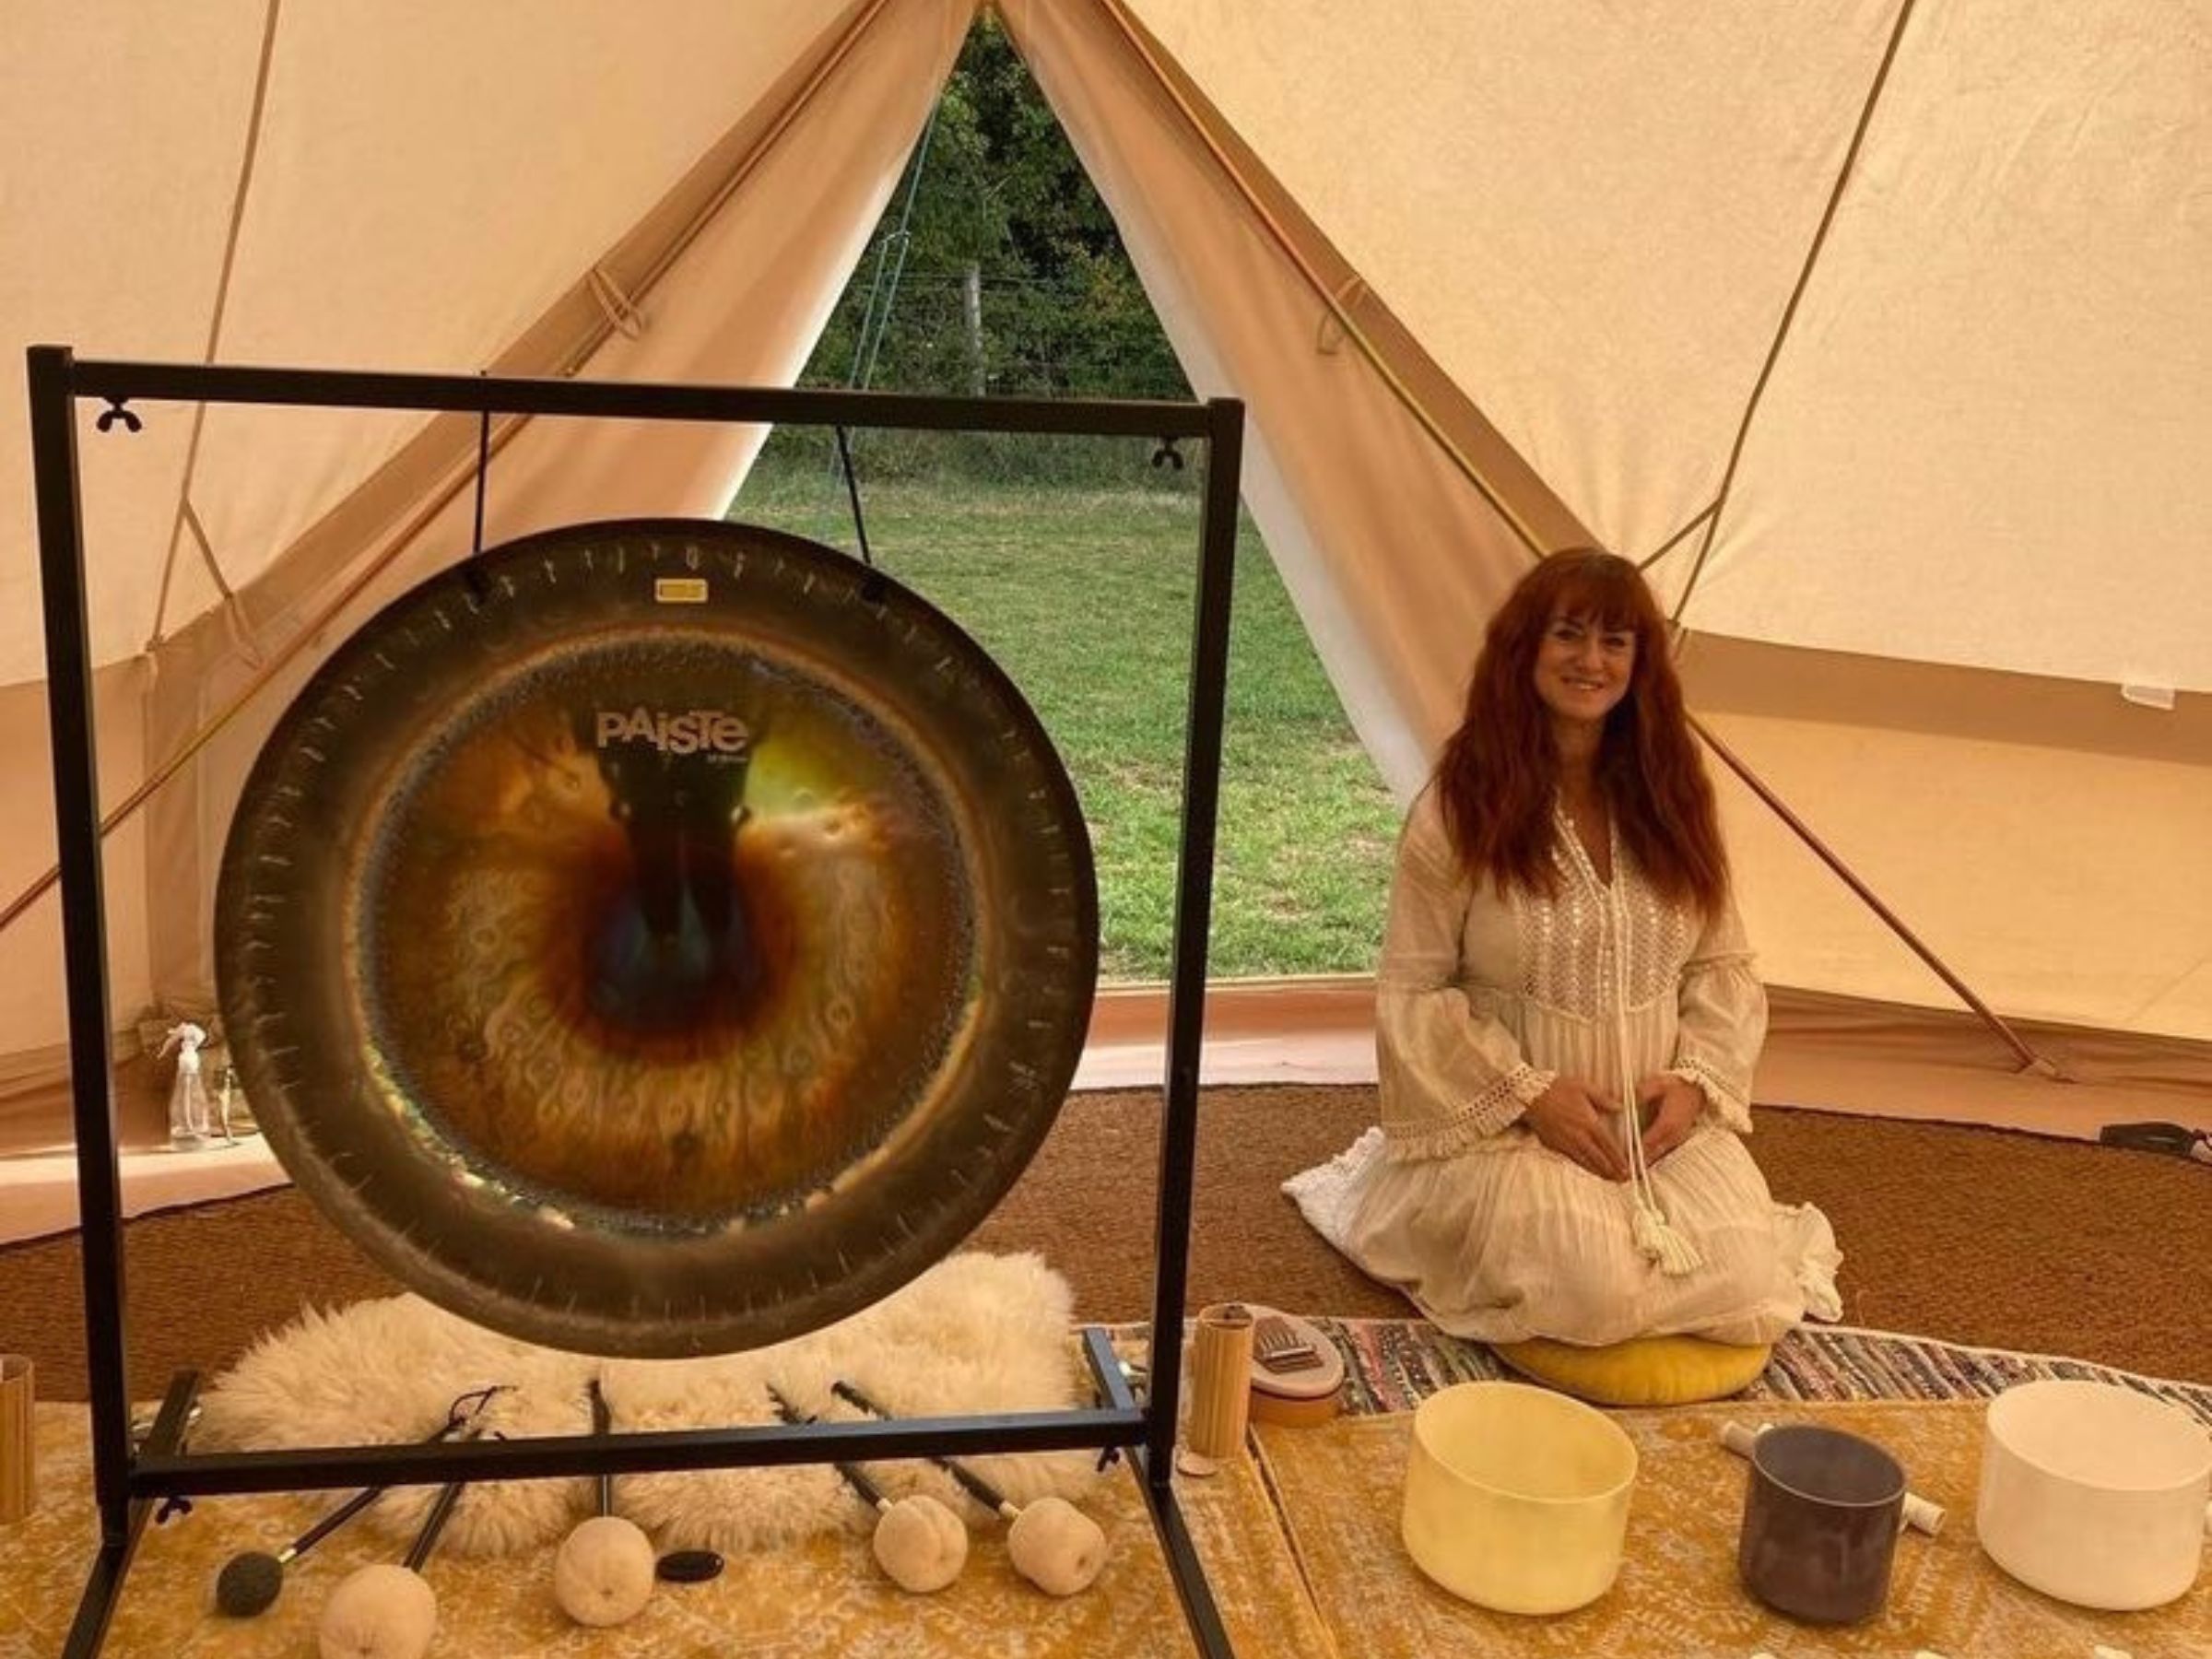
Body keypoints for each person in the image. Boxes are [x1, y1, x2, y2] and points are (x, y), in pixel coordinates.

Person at [1286, 548, 1839, 1347]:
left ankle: (1635, 1229)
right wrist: (1530, 1095)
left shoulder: (1675, 795)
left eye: (1616, 642)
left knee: (1755, 1293)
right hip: (1506, 1128)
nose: (1591, 660)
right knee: (1592, 1292)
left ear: (1640, 664)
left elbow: (1722, 964)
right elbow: (1413, 993)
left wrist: (1695, 1086)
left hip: (1657, 1129)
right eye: (1568, 635)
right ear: (1526, 649)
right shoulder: (1458, 807)